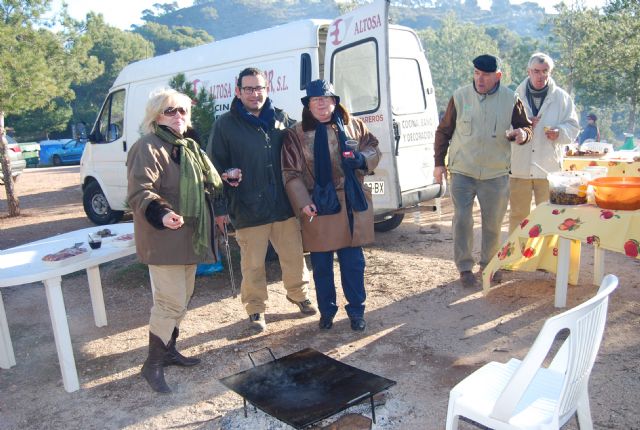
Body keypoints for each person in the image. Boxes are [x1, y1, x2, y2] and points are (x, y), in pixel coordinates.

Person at [127, 88, 223, 393]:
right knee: (169, 302)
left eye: (183, 110)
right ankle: (151, 364)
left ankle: (168, 351)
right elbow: (140, 192)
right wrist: (163, 213)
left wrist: (225, 178)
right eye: (171, 110)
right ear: (156, 116)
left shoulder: (188, 147)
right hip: (164, 237)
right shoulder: (149, 147)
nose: (179, 116)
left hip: (189, 236)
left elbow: (202, 183)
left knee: (182, 299)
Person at [207, 67, 316, 332]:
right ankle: (255, 309)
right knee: (253, 264)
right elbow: (213, 169)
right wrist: (220, 208)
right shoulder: (225, 125)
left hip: (282, 205)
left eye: (259, 88)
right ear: (238, 92)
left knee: (293, 257)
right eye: (248, 89)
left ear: (267, 90)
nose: (255, 94)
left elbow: (300, 157)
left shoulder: (281, 119)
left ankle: (299, 295)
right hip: (247, 207)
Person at [281, 80, 381, 331]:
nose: (322, 104)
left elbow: (373, 148)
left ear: (335, 101)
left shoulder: (353, 125)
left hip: (350, 203)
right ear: (309, 104)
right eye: (316, 100)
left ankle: (357, 311)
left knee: (353, 264)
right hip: (318, 204)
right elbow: (290, 172)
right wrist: (303, 203)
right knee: (322, 266)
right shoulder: (296, 133)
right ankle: (327, 312)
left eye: (326, 99)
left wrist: (361, 158)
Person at [434, 54, 533, 288]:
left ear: (498, 76)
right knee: (462, 220)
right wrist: (439, 163)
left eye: (486, 75)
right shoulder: (460, 97)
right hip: (462, 170)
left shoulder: (511, 99)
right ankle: (465, 268)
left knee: (492, 223)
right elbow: (444, 131)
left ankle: (489, 264)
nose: (480, 79)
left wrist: (522, 135)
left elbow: (525, 127)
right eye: (477, 73)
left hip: (496, 174)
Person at [509, 53, 579, 234]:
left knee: (550, 215)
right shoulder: (513, 97)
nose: (540, 76)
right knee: (518, 216)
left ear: (550, 72)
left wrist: (559, 132)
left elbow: (573, 127)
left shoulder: (562, 98)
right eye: (536, 71)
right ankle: (515, 259)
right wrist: (519, 128)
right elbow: (503, 128)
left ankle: (548, 260)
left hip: (549, 168)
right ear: (528, 71)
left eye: (545, 71)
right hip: (519, 167)